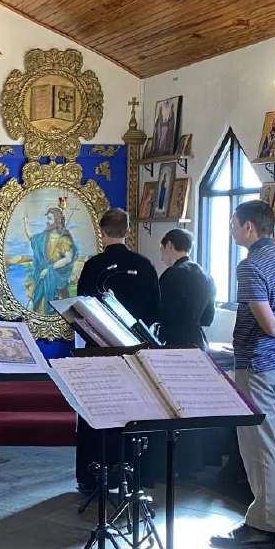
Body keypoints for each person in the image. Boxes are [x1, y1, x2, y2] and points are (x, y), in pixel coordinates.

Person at [213, 200, 275, 549]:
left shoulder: (251, 265)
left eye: (232, 224)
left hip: (259, 366)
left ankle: (263, 525)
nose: (231, 230)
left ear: (249, 228)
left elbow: (269, 325)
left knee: (259, 445)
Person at [74, 208, 161, 491]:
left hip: (99, 349)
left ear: (102, 232)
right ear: (127, 231)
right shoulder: (145, 265)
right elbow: (154, 310)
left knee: (97, 409)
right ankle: (136, 473)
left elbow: (82, 308)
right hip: (135, 349)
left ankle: (93, 474)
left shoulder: (93, 265)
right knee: (134, 408)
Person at [157, 229, 216, 348]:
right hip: (199, 343)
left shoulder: (171, 274)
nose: (162, 258)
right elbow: (207, 319)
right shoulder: (207, 276)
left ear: (169, 245)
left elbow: (160, 312)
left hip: (174, 344)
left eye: (161, 250)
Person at [23, 205, 77, 313]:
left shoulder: (64, 238)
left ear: (57, 221)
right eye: (47, 218)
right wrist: (25, 223)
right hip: (42, 275)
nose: (47, 221)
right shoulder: (44, 236)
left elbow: (68, 259)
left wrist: (49, 269)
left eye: (50, 219)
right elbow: (32, 238)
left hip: (55, 276)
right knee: (38, 304)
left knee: (50, 305)